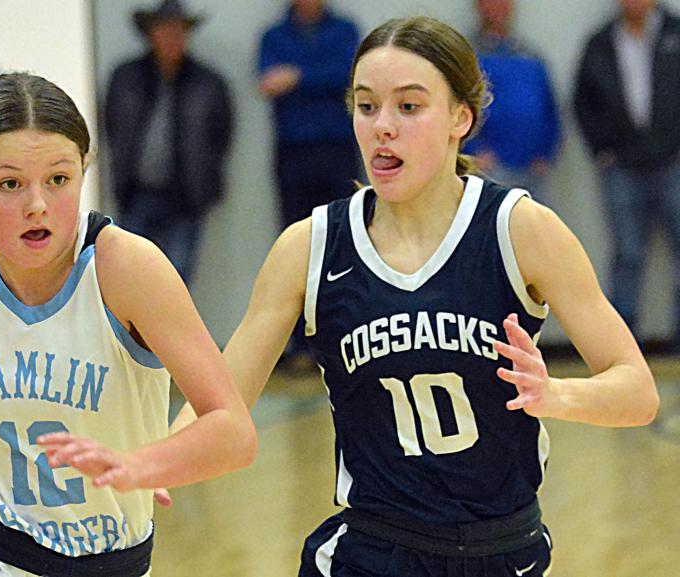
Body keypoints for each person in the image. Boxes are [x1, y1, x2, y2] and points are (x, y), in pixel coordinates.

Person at [172, 16, 659, 576]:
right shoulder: (309, 247)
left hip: (501, 551)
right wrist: (142, 466)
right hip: (371, 552)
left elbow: (637, 391)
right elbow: (221, 406)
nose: (382, 126)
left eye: (408, 106)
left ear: (460, 118)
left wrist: (556, 396)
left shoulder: (522, 230)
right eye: (366, 105)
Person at [0, 73, 255, 577]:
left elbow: (233, 432)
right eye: (9, 184)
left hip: (109, 563)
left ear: (84, 169)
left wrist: (139, 466)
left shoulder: (126, 269)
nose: (37, 204)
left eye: (59, 179)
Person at [257, 0, 361, 367]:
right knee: (298, 247)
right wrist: (318, 80)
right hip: (294, 153)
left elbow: (350, 78)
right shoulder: (274, 35)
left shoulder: (344, 29)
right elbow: (267, 82)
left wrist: (299, 77)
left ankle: (344, 338)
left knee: (345, 245)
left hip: (338, 150)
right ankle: (303, 344)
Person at [574, 0, 680, 344]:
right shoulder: (601, 41)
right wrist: (601, 149)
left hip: (672, 162)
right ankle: (622, 343)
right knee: (627, 253)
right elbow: (582, 100)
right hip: (621, 166)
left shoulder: (674, 32)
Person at [105, 0, 233, 284]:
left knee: (177, 275)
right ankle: (133, 331)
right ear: (150, 34)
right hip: (136, 192)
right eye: (164, 31)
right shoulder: (125, 78)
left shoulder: (208, 82)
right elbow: (112, 126)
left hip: (187, 196)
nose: (171, 38)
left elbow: (222, 134)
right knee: (131, 275)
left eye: (178, 31)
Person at [465, 0, 561, 196]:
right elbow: (456, 109)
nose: (498, 5)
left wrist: (546, 152)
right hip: (492, 169)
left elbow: (550, 109)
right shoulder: (468, 56)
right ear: (479, 6)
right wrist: (473, 151)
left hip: (533, 169)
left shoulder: (529, 54)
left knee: (537, 224)